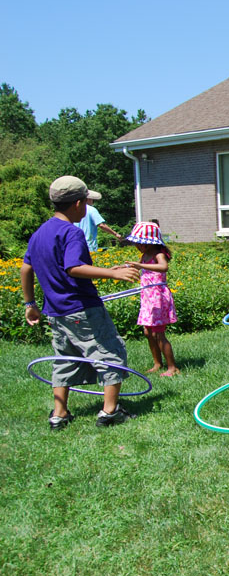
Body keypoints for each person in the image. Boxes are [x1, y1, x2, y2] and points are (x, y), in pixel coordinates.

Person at [20, 176, 141, 430]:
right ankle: (110, 412)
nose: (87, 207)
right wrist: (112, 273)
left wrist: (30, 303)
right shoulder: (71, 232)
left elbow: (25, 269)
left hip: (56, 312)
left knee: (65, 358)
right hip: (82, 309)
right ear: (77, 204)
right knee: (109, 353)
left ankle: (59, 414)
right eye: (86, 202)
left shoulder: (40, 233)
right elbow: (74, 267)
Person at [124, 221, 179, 377]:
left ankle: (172, 367)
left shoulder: (158, 255)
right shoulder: (145, 256)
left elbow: (163, 267)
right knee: (148, 332)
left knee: (158, 334)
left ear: (147, 243)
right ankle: (157, 363)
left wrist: (141, 266)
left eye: (138, 243)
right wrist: (122, 268)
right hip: (148, 299)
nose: (136, 246)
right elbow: (137, 266)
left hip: (158, 299)